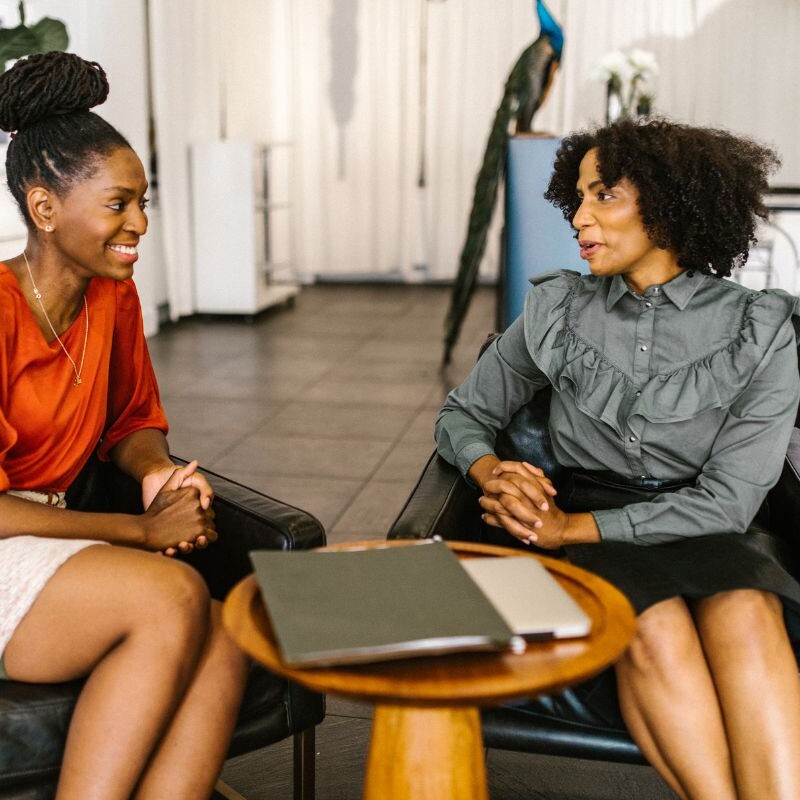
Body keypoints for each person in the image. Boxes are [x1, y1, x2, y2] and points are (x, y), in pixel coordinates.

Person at [436, 117, 800, 800]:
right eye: (577, 198)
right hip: (595, 519)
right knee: (652, 626)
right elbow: (464, 413)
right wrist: (491, 470)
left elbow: (730, 501)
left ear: (668, 205)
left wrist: (565, 529)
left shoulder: (762, 328)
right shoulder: (558, 310)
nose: (578, 218)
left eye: (603, 197)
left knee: (750, 614)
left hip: (709, 525)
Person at [0, 52, 249, 799]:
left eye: (143, 202)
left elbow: (133, 422)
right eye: (118, 204)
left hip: (51, 536)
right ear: (45, 209)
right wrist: (142, 532)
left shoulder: (114, 301)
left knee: (229, 628)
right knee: (170, 595)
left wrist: (155, 477)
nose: (139, 223)